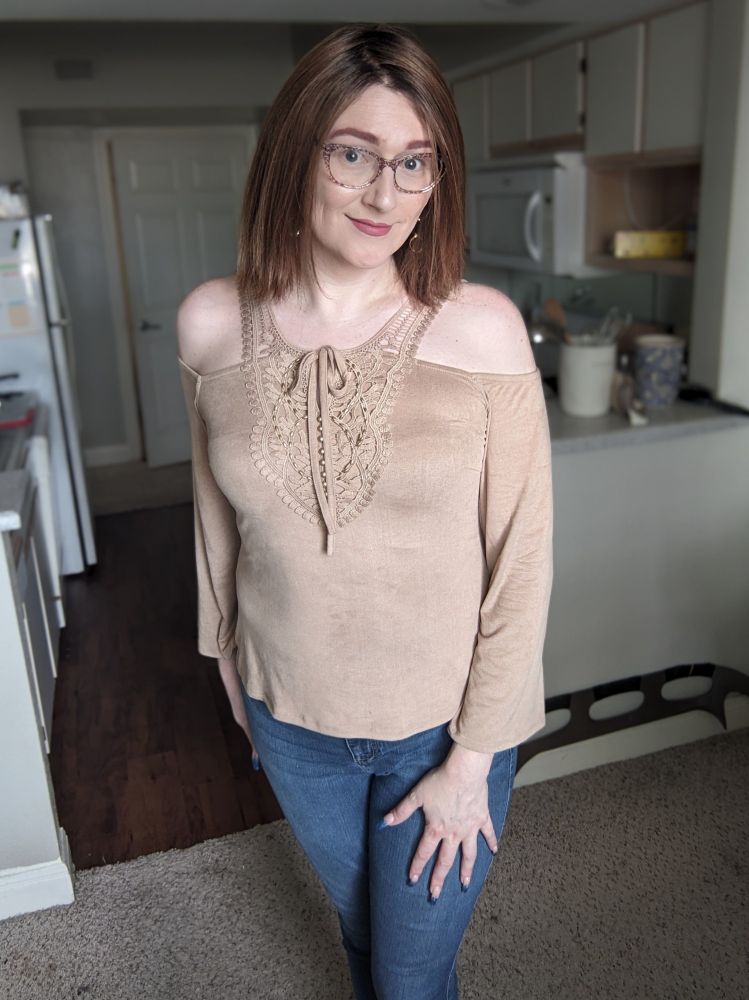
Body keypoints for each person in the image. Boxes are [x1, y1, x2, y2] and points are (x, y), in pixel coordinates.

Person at [176, 22, 553, 1000]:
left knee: (410, 969)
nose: (386, 193)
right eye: (353, 154)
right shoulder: (212, 324)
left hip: (443, 724)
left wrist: (472, 760)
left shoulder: (481, 329)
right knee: (362, 931)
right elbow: (215, 521)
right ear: (293, 153)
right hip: (291, 718)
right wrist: (228, 668)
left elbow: (521, 559)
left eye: (415, 162)